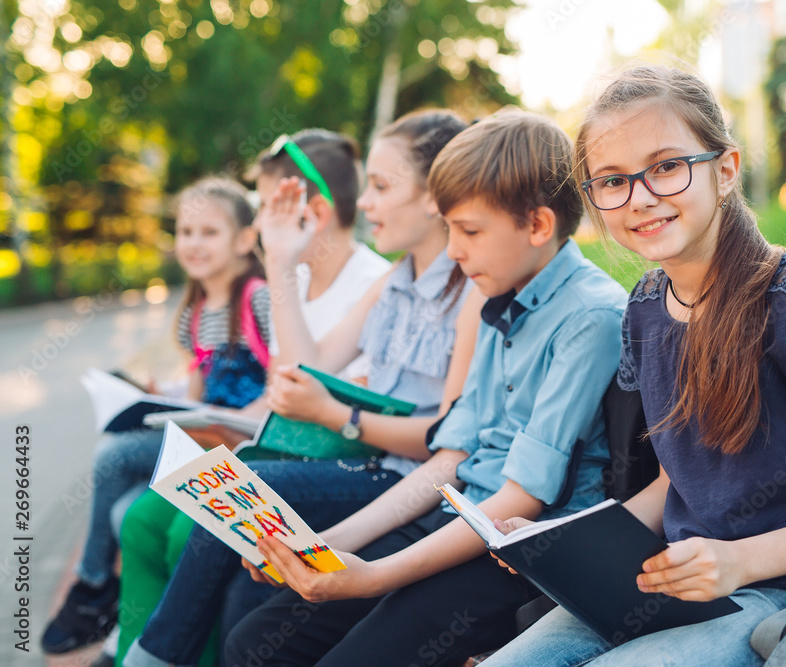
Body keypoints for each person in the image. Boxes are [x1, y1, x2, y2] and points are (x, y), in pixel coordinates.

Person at [480, 64, 786, 667]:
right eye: (612, 181)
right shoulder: (645, 310)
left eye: (665, 166)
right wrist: (559, 548)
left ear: (726, 168)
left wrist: (739, 561)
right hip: (674, 582)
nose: (641, 197)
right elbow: (676, 482)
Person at [221, 109, 628, 667]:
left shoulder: (590, 317)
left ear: (537, 226)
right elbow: (452, 457)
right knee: (254, 643)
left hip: (517, 553)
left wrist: (371, 577)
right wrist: (331, 544)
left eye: (469, 231)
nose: (454, 252)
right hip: (455, 515)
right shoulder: (498, 297)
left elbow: (521, 498)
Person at [120, 110, 485, 667]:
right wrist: (283, 264)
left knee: (250, 482)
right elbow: (304, 371)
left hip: (404, 480)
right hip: (366, 468)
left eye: (381, 188)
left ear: (434, 195)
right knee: (249, 589)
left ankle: (155, 655)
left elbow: (445, 443)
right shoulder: (394, 281)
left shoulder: (469, 291)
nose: (363, 204)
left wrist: (338, 415)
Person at [40, 177, 273, 657]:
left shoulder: (258, 298)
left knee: (115, 454)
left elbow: (282, 379)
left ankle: (92, 585)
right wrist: (158, 403)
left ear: (245, 239)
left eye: (209, 232)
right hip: (205, 434)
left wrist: (232, 420)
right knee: (126, 507)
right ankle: (127, 634)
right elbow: (197, 386)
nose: (193, 243)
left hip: (243, 441)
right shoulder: (195, 309)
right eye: (185, 231)